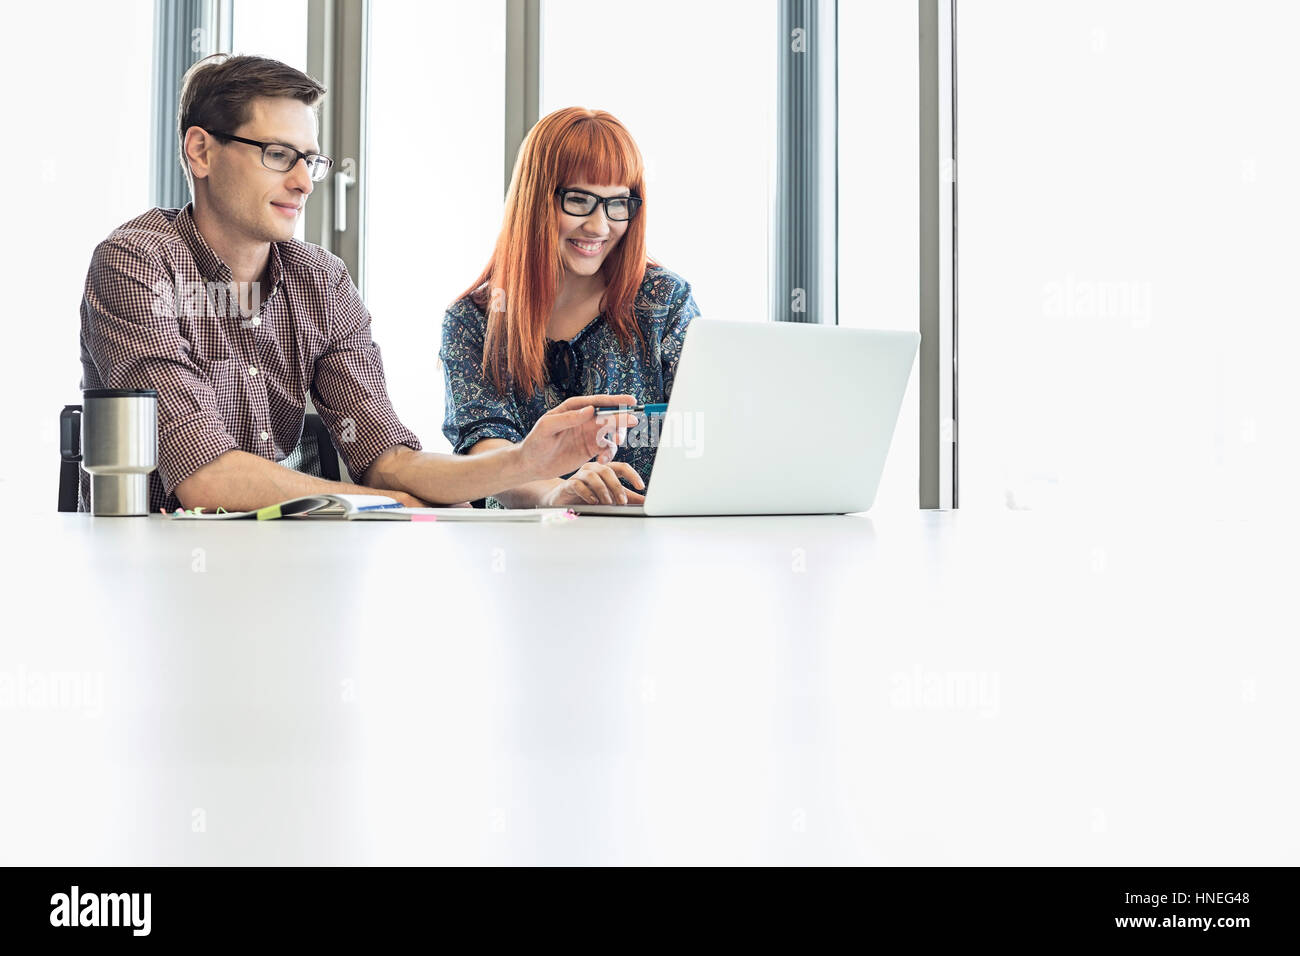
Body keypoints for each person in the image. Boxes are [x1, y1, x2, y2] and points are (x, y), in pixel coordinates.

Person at [78, 55, 634, 514]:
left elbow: (388, 456)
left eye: (309, 161)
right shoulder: (136, 264)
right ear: (200, 151)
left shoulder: (320, 278)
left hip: (278, 568)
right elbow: (205, 478)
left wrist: (525, 462)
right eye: (277, 155)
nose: (302, 182)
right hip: (154, 571)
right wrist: (386, 503)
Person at [441, 107, 700, 507]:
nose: (599, 227)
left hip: (647, 544)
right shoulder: (476, 320)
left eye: (618, 204)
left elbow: (705, 429)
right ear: (535, 200)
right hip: (521, 549)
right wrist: (557, 496)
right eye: (579, 200)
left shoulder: (664, 301)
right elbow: (487, 452)